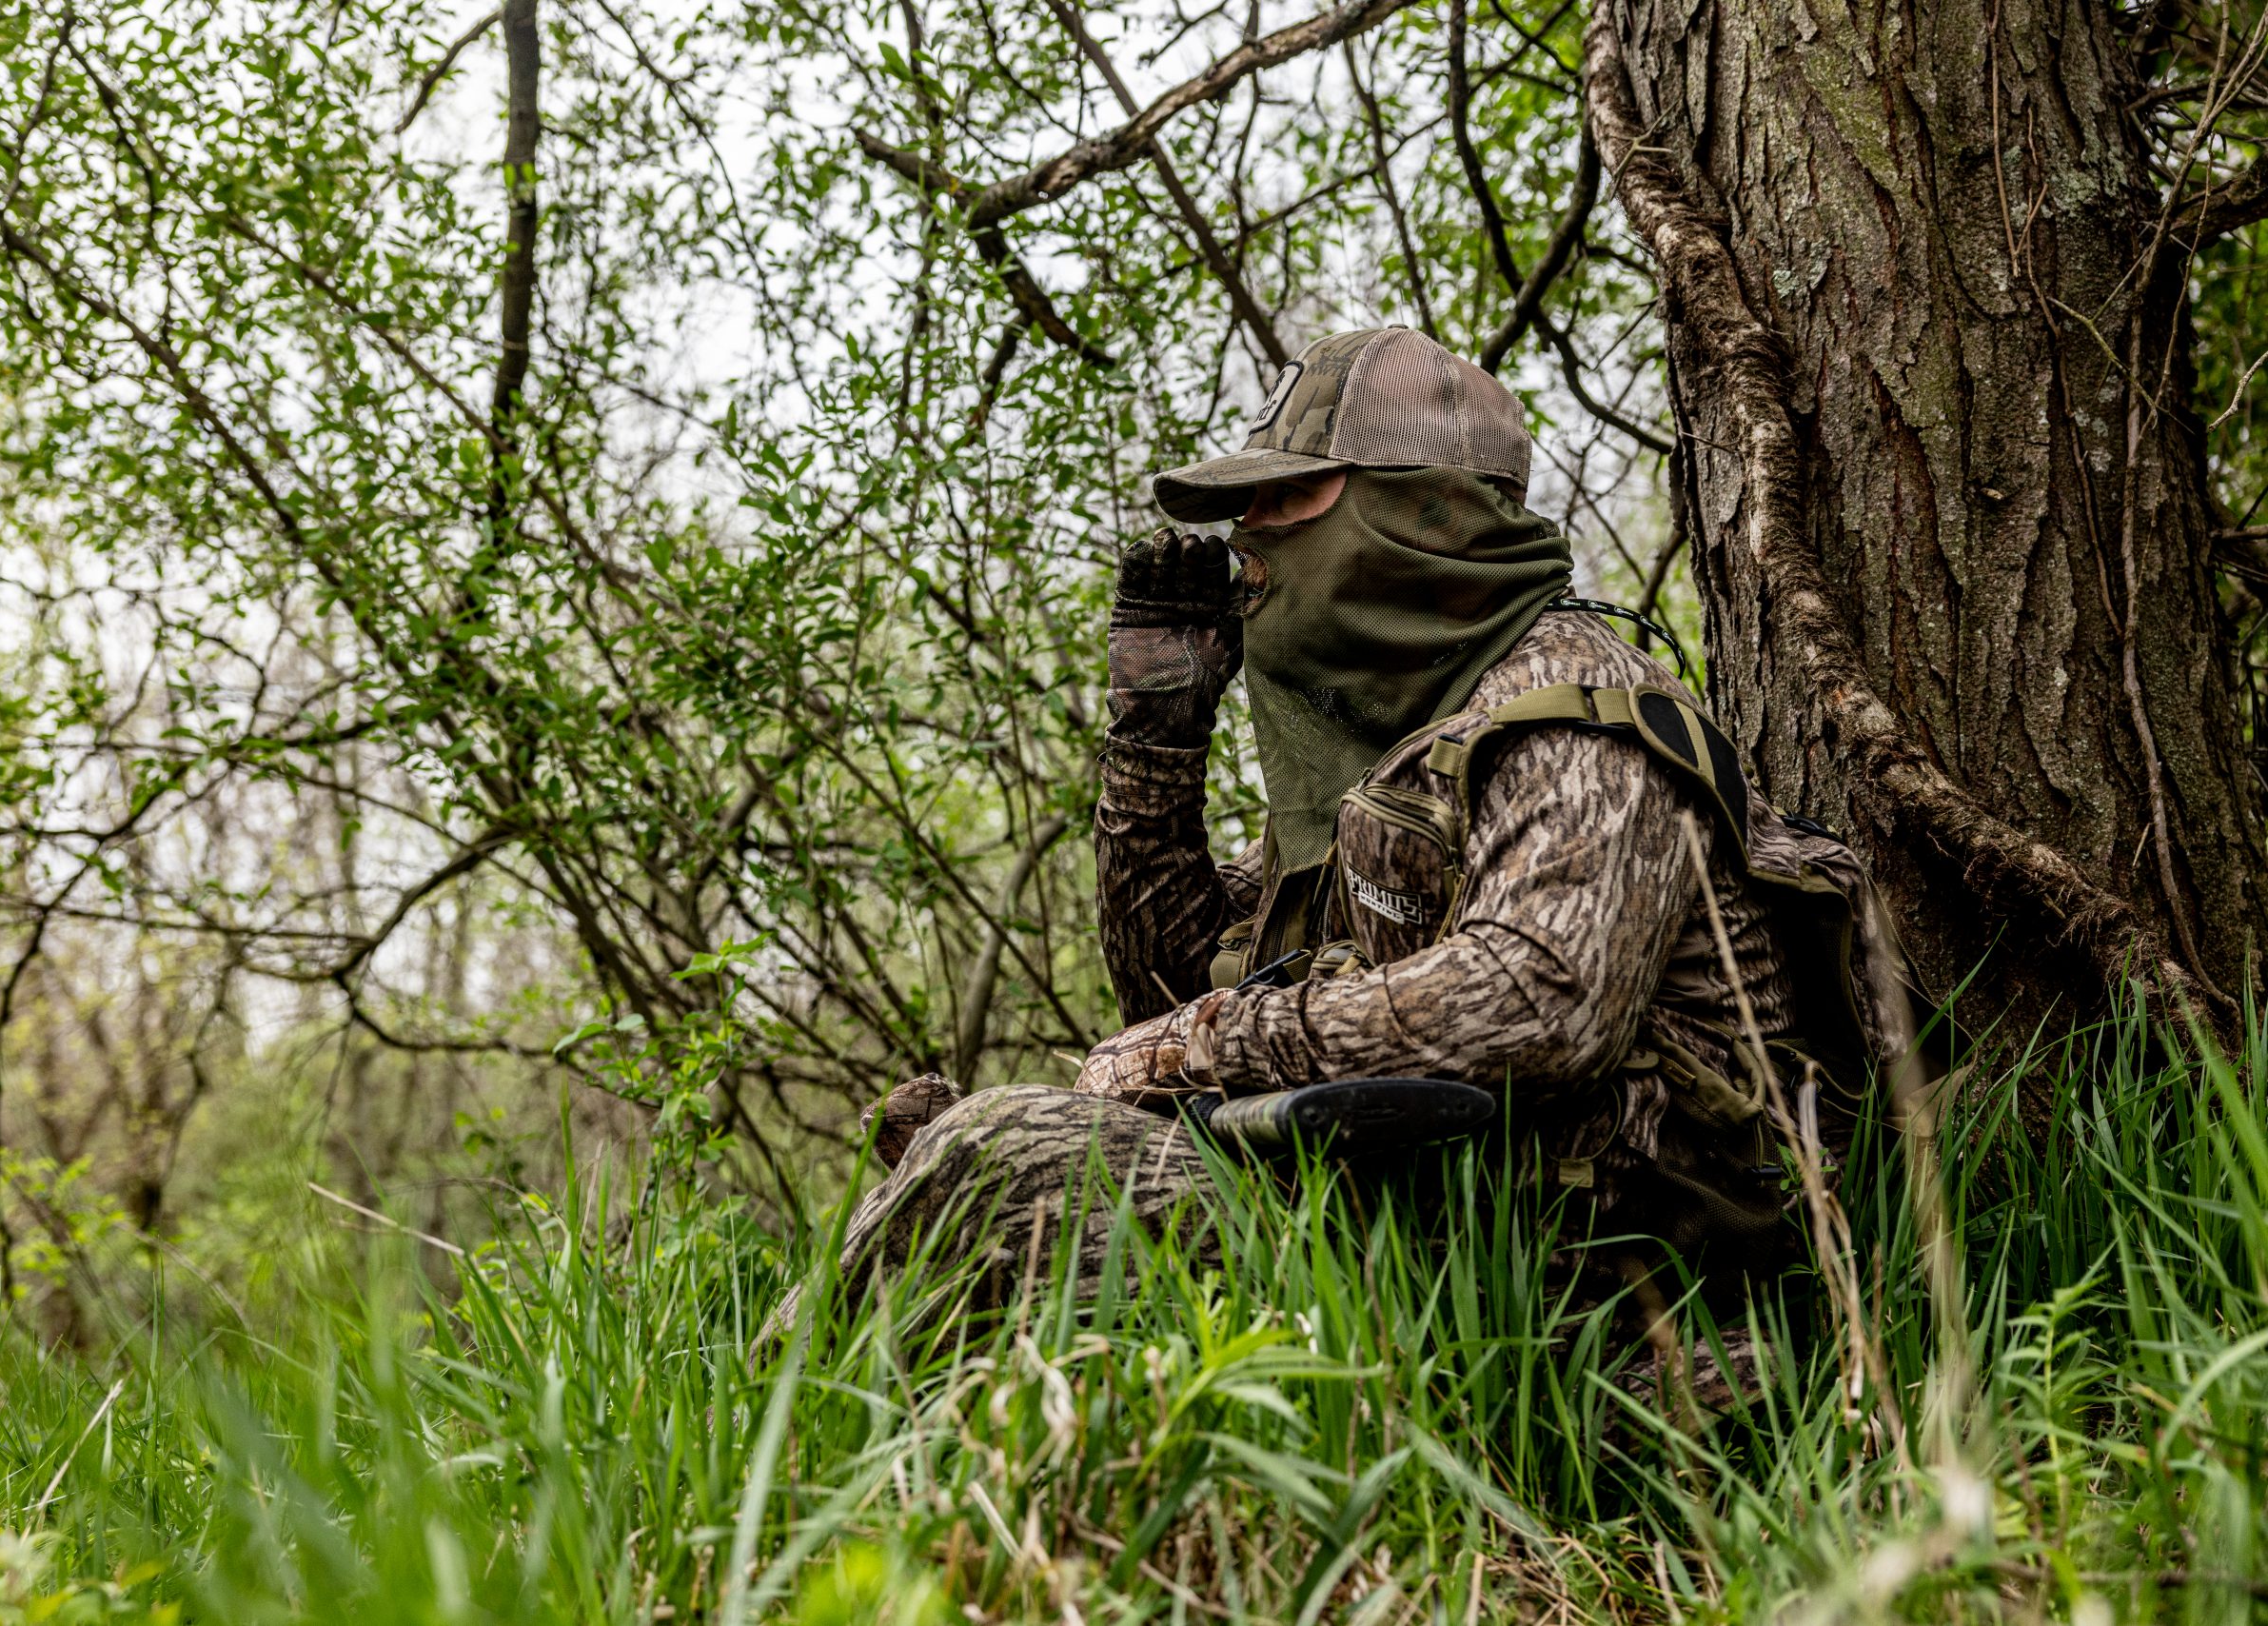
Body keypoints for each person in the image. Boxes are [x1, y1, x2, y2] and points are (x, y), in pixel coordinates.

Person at [763, 327, 1912, 1344]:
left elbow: (1537, 1000)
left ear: (1418, 508)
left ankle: (763, 1480)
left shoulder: (1574, 708)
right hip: (1437, 1242)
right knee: (971, 1162)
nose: (1245, 545)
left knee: (1003, 1158)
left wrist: (1187, 1053)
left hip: (1612, 1306)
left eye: (1284, 501)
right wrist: (1156, 736)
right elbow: (1172, 973)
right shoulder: (1392, 746)